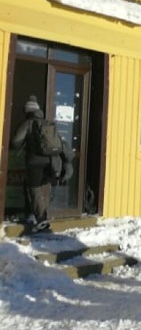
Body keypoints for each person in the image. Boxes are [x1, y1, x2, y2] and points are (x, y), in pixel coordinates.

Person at [10, 96, 72, 233]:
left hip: (34, 162)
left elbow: (16, 141)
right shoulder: (48, 123)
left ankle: (41, 219)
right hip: (51, 161)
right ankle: (40, 215)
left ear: (27, 111)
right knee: (45, 187)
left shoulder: (28, 123)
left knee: (34, 188)